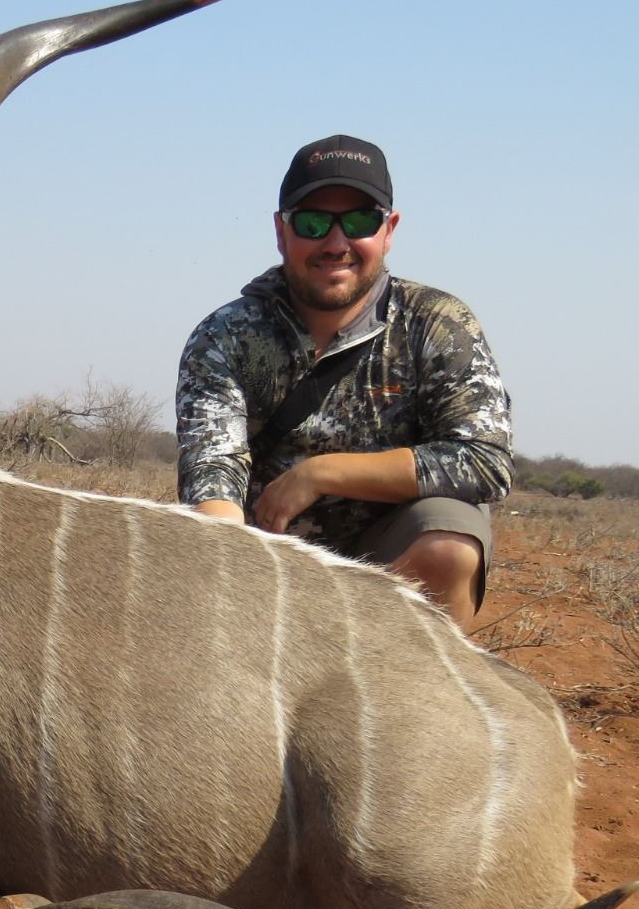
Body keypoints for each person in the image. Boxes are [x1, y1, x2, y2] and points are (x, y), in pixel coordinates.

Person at [175, 134, 512, 629]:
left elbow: (484, 461)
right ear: (281, 231)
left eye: (359, 222)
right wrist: (235, 566)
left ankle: (408, 679)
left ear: (389, 230)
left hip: (390, 555)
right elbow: (212, 471)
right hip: (266, 555)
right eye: (313, 223)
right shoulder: (224, 335)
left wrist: (321, 473)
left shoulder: (437, 322)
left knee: (450, 548)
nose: (336, 244)